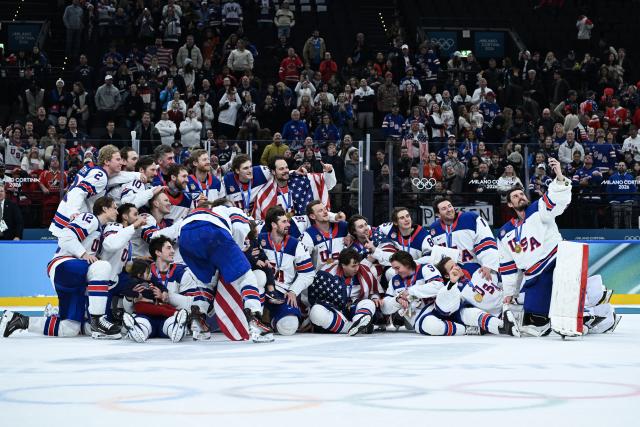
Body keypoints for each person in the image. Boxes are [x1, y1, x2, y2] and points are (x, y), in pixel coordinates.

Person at [1, 197, 120, 339]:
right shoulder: (90, 218)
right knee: (102, 266)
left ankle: (19, 320)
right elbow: (66, 237)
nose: (117, 212)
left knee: (69, 329)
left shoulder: (101, 229)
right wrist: (83, 254)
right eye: (114, 207)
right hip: (64, 264)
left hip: (75, 272)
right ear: (105, 209)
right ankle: (97, 320)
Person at [178, 203, 274, 342]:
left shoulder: (211, 211)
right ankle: (255, 319)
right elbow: (241, 228)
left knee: (206, 281)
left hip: (185, 236)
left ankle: (198, 321)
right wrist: (239, 248)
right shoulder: (233, 210)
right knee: (246, 276)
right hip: (212, 231)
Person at [497, 157, 572, 336]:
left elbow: (556, 202)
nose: (520, 196)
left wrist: (560, 177)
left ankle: (594, 309)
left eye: (521, 194)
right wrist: (509, 292)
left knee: (569, 295)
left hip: (555, 263)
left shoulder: (538, 209)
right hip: (533, 276)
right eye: (515, 196)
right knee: (534, 318)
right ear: (509, 204)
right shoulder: (505, 232)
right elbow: (507, 267)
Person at [49, 145, 140, 238]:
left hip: (65, 216)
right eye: (117, 159)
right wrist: (74, 212)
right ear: (107, 161)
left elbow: (118, 176)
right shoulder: (100, 176)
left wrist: (139, 175)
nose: (121, 162)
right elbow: (77, 191)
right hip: (71, 220)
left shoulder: (94, 169)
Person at [259, 206, 315, 336]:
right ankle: (257, 315)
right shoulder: (259, 240)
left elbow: (308, 273)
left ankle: (270, 320)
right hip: (261, 289)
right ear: (273, 225)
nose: (288, 224)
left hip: (282, 292)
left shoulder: (295, 244)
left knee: (289, 327)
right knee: (258, 276)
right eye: (283, 222)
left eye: (287, 221)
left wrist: (293, 291)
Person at [432, 257, 520, 336]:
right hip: (498, 315)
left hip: (511, 302)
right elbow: (446, 308)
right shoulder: (454, 291)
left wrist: (490, 267)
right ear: (447, 275)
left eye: (456, 264)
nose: (457, 267)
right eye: (452, 268)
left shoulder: (473, 268)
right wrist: (452, 283)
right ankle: (501, 326)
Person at [308, 248, 380, 335]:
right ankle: (355, 327)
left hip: (355, 309)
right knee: (315, 312)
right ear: (343, 265)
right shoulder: (328, 274)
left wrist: (375, 298)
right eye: (353, 266)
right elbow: (319, 298)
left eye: (358, 265)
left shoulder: (365, 271)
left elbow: (374, 291)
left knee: (369, 303)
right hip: (336, 311)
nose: (357, 268)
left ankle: (359, 321)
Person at [430, 197, 499, 278]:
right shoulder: (434, 228)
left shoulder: (471, 218)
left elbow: (486, 242)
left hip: (475, 269)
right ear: (438, 214)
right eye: (444, 208)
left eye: (450, 206)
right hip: (449, 273)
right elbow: (434, 254)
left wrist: (488, 264)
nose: (449, 209)